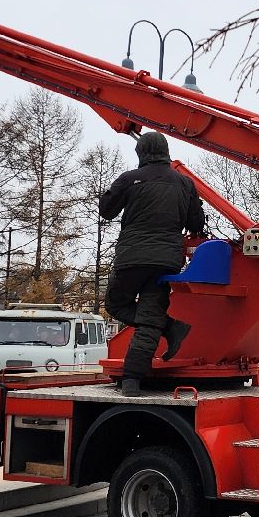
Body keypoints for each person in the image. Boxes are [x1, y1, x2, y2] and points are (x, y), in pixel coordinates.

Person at [99, 131, 206, 396]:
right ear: (165, 151)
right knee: (150, 316)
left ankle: (169, 328)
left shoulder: (130, 179)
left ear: (141, 152)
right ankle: (132, 380)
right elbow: (196, 224)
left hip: (132, 258)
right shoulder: (185, 183)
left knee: (116, 303)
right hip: (166, 262)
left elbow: (106, 210)